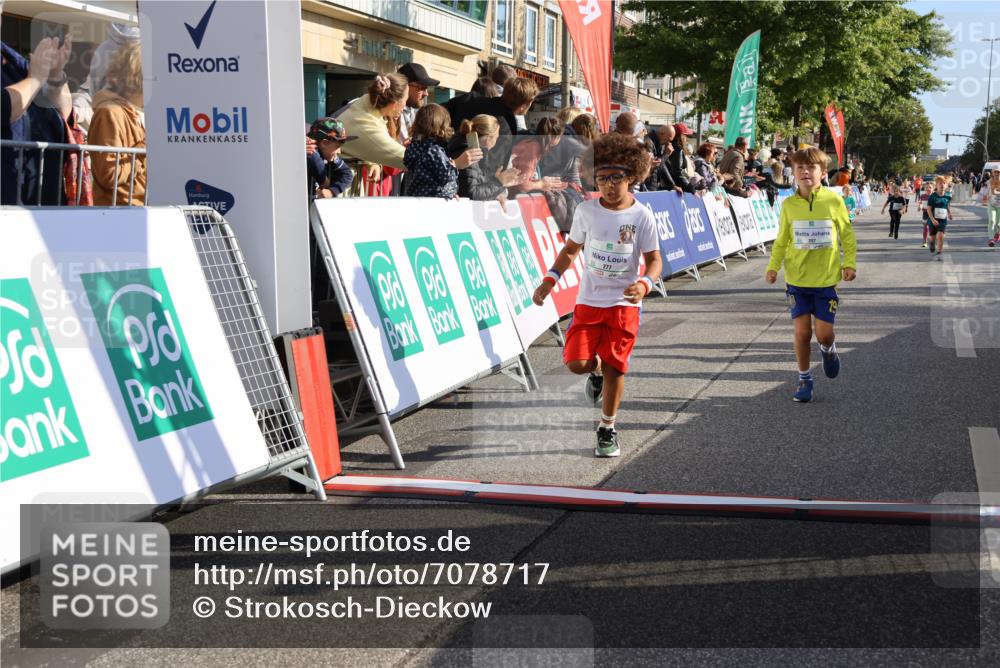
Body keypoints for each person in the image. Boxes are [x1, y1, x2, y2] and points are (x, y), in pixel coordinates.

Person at [531, 133, 662, 458]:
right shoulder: (587, 211)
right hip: (589, 304)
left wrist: (645, 283)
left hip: (624, 306)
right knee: (577, 363)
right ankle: (596, 373)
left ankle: (607, 427)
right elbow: (571, 250)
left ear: (631, 176)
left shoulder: (641, 215)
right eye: (602, 179)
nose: (608, 186)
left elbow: (655, 260)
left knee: (618, 367)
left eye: (615, 178)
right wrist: (550, 279)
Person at [765, 147, 857, 403]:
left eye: (811, 168)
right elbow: (782, 239)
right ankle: (804, 378)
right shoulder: (788, 205)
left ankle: (828, 350)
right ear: (793, 173)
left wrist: (849, 263)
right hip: (797, 280)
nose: (805, 172)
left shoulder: (833, 200)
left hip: (826, 280)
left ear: (823, 172)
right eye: (800, 168)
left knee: (823, 333)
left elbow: (846, 234)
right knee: (802, 333)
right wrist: (773, 267)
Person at [2, 35, 74, 205]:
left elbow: (63, 114)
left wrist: (55, 76)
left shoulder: (14, 61)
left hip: (45, 201)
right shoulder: (31, 72)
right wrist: (35, 79)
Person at [89, 42, 146, 206]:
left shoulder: (133, 112)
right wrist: (144, 149)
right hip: (122, 216)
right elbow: (110, 174)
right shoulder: (110, 113)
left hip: (137, 211)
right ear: (138, 78)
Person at [402, 103, 481, 198]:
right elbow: (446, 176)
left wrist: (449, 192)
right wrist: (456, 164)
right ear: (441, 127)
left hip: (418, 198)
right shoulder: (434, 150)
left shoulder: (414, 147)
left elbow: (428, 177)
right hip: (434, 202)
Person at [337, 73, 408, 170]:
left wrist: (370, 162)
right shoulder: (367, 124)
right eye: (405, 101)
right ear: (394, 104)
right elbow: (407, 159)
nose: (405, 106)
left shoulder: (366, 103)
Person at [447, 114, 521, 202]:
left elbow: (475, 182)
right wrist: (499, 182)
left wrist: (494, 183)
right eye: (496, 137)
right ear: (488, 139)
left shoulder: (467, 149)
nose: (496, 141)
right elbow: (472, 193)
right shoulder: (470, 154)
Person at [306, 117, 355, 200]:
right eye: (337, 147)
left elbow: (347, 174)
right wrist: (324, 182)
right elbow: (313, 157)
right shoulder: (308, 150)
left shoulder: (332, 157)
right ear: (324, 143)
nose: (339, 152)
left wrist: (332, 191)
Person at [397, 62, 439, 141]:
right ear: (405, 86)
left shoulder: (415, 114)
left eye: (426, 89)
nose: (426, 94)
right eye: (422, 88)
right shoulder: (387, 115)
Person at [925, 175, 953, 261]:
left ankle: (939, 253)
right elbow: (929, 209)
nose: (942, 185)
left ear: (946, 185)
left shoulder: (948, 196)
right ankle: (932, 243)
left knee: (941, 236)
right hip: (933, 220)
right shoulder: (932, 196)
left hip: (943, 220)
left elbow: (947, 205)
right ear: (936, 185)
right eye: (940, 183)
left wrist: (949, 213)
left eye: (944, 183)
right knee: (933, 237)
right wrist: (932, 219)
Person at [985, 170, 1000, 247]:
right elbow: (986, 192)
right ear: (993, 173)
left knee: (998, 224)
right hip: (992, 205)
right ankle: (991, 239)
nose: (997, 174)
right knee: (992, 221)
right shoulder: (989, 182)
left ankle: (998, 233)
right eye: (995, 172)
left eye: (998, 172)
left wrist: (996, 192)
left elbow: (994, 192)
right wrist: (985, 196)